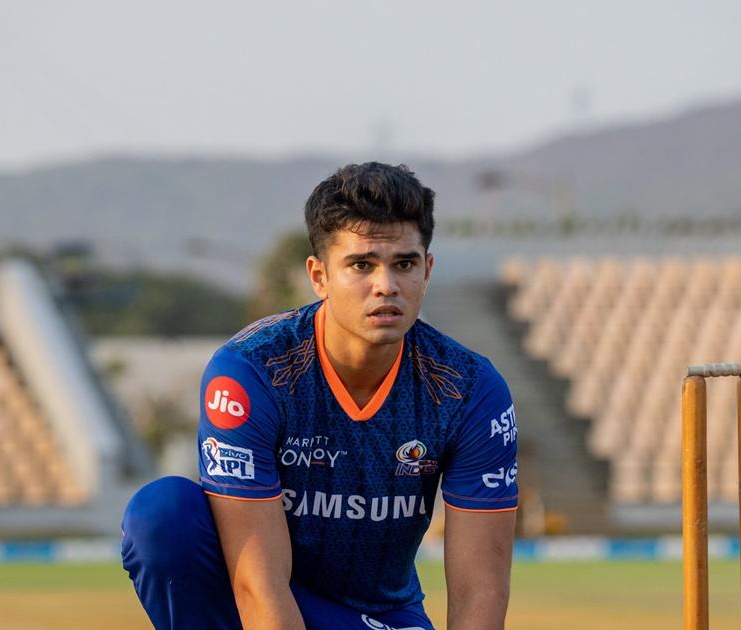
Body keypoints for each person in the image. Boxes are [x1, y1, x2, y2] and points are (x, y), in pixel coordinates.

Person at [121, 162, 519, 630]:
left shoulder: (468, 388)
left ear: (427, 270)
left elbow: (480, 590)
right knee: (163, 515)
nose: (386, 285)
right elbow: (257, 584)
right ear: (319, 275)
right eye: (361, 264)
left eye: (405, 264)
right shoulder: (253, 371)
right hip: (263, 600)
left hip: (377, 616)